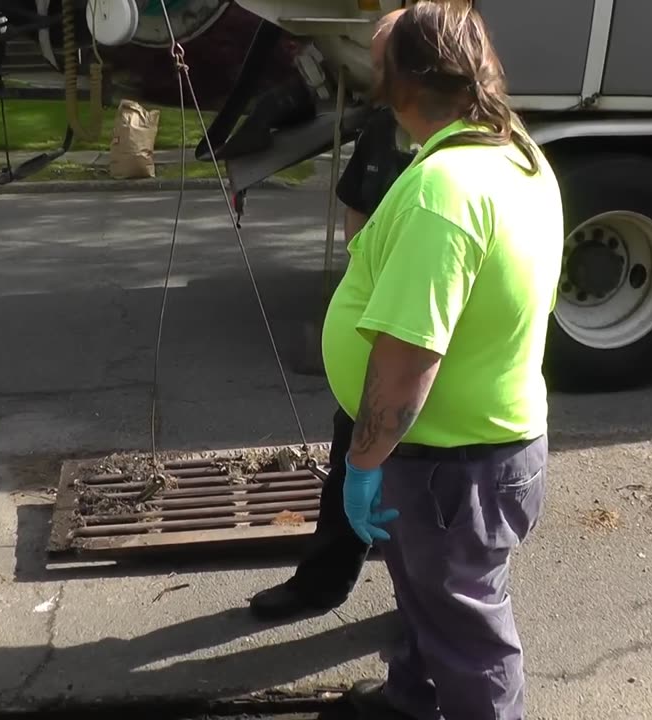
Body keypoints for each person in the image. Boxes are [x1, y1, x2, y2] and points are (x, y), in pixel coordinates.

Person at [323, 4, 563, 719]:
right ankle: (412, 701)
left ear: (395, 87)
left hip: (450, 469)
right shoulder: (515, 154)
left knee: (469, 639)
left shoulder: (444, 191)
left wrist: (362, 464)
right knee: (431, 599)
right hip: (480, 455)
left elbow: (408, 355)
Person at [248, 104, 417, 622]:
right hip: (371, 356)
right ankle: (324, 583)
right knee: (351, 465)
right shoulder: (388, 129)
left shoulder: (455, 164)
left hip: (420, 358)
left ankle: (427, 616)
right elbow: (356, 208)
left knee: (419, 492)